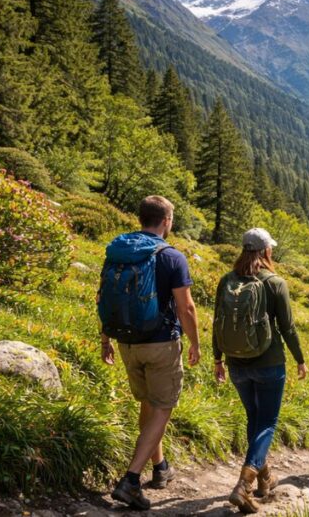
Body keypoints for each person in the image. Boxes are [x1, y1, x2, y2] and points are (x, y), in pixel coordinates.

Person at [101, 195, 200, 511]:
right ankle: (131, 480)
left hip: (127, 342)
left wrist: (105, 338)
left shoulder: (120, 250)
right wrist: (196, 343)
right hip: (161, 343)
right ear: (167, 221)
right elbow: (186, 307)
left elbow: (106, 295)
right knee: (162, 407)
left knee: (148, 403)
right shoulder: (172, 257)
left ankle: (160, 468)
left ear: (141, 217)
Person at [213, 228, 308, 514]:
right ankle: (244, 485)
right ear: (266, 251)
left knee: (255, 420)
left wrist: (217, 359)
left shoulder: (226, 281)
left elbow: (217, 322)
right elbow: (288, 328)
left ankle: (265, 479)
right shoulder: (275, 282)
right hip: (269, 364)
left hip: (236, 363)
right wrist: (300, 359)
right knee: (266, 423)